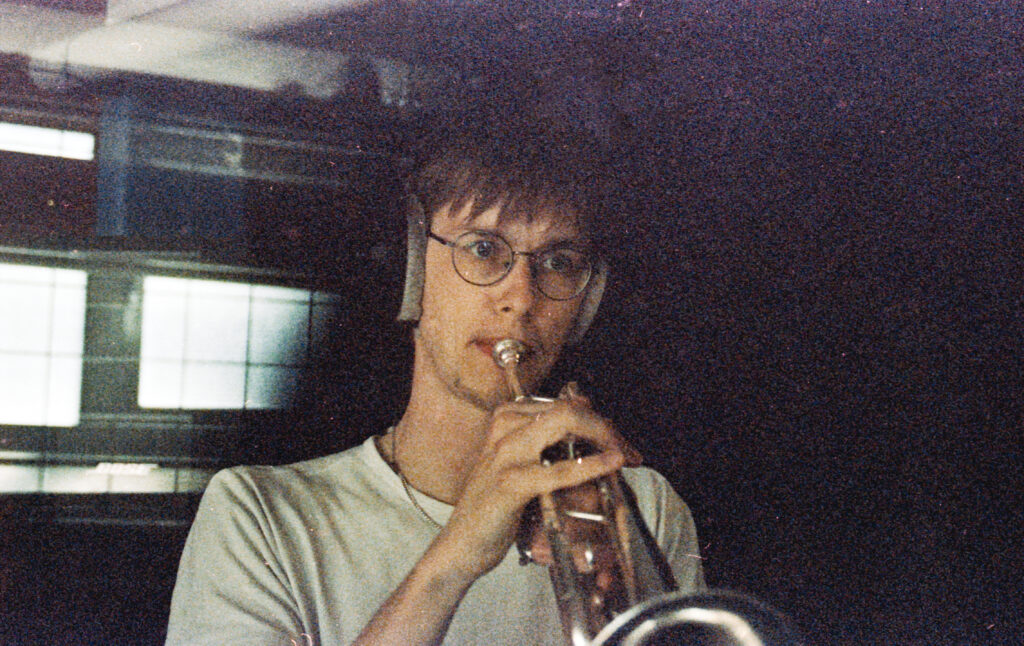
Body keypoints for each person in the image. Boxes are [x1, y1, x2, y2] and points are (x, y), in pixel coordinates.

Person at [165, 117, 705, 646]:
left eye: (559, 262)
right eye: (484, 249)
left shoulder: (644, 508)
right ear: (411, 271)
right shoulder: (258, 516)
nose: (522, 298)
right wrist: (456, 556)